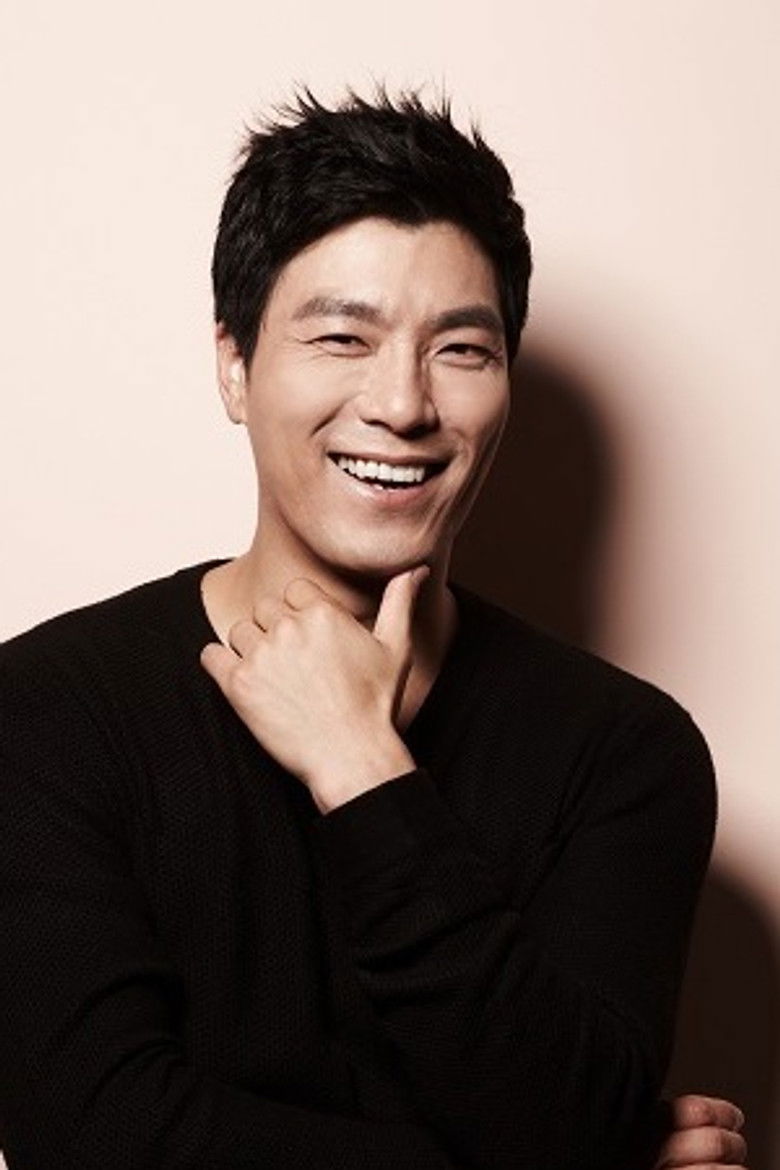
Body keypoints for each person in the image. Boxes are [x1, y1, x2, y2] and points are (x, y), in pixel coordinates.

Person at [0, 90, 746, 1170]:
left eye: (462, 350)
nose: (402, 404)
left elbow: (558, 1118)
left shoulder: (625, 754)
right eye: (343, 337)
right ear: (233, 366)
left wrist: (362, 768)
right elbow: (97, 1137)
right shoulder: (45, 713)